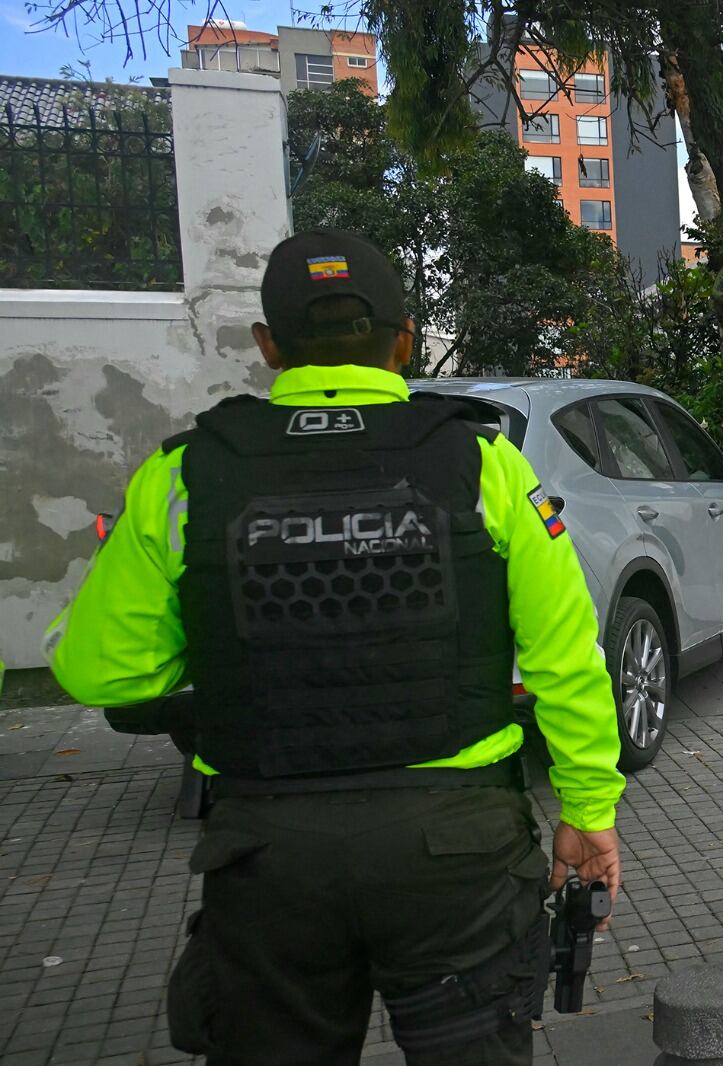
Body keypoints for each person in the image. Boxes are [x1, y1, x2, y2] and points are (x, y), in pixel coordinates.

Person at [42, 229, 625, 1065]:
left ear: (269, 345)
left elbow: (100, 669)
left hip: (270, 861)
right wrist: (588, 814)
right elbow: (567, 660)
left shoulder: (188, 472)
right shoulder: (483, 461)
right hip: (455, 853)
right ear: (405, 338)